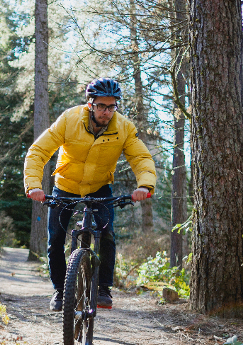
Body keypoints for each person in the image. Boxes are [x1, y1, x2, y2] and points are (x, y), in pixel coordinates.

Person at [23, 78, 156, 311]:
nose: (107, 112)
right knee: (55, 239)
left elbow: (140, 157)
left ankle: (104, 289)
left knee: (107, 235)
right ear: (90, 104)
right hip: (65, 185)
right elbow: (39, 151)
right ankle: (60, 291)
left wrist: (144, 185)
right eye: (102, 106)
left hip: (99, 186)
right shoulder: (69, 119)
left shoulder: (123, 127)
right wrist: (34, 185)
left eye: (112, 106)